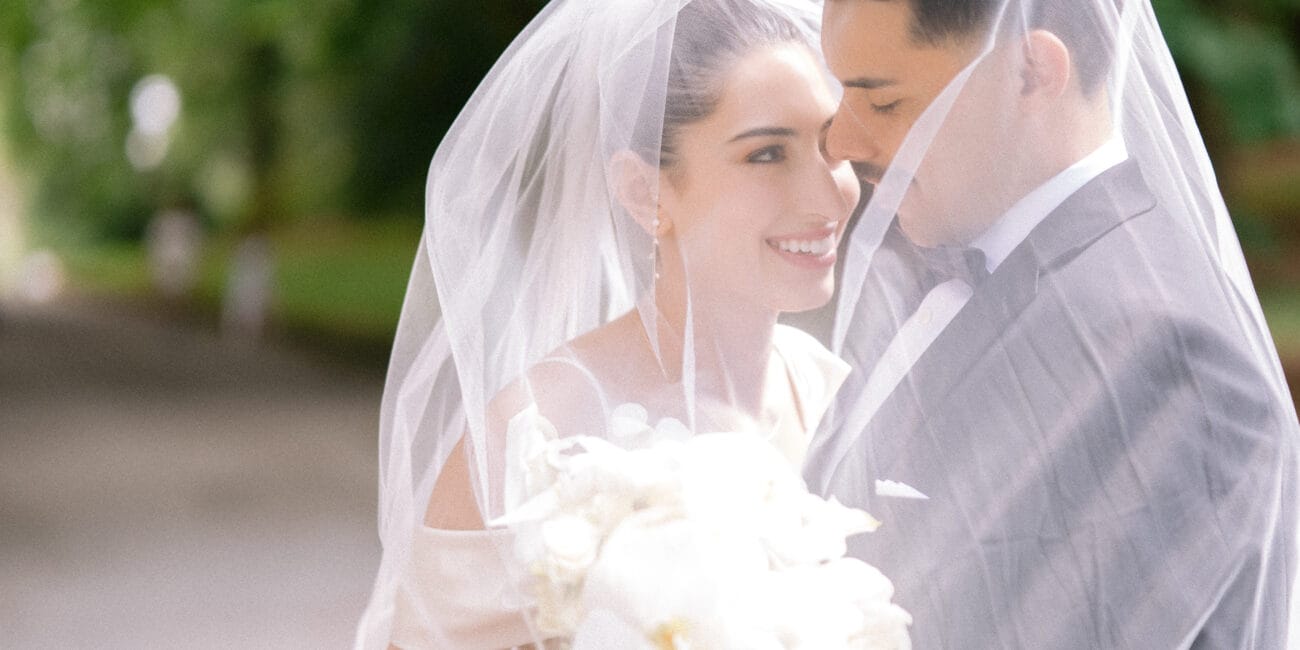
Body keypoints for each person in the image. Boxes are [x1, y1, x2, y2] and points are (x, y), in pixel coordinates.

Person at [353, 0, 860, 647]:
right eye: (767, 155)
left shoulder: (836, 392)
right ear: (645, 191)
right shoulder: (534, 432)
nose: (828, 194)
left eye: (830, 143)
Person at [803, 0, 1300, 647]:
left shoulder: (1174, 357)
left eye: (883, 101)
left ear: (1032, 72)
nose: (839, 143)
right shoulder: (925, 276)